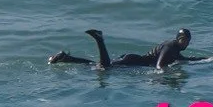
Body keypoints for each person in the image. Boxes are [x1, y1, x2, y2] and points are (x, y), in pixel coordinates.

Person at [50, 28, 194, 70]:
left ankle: (66, 58)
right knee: (104, 67)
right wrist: (162, 77)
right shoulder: (170, 47)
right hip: (133, 62)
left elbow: (184, 59)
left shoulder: (176, 51)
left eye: (186, 41)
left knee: (96, 66)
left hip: (132, 60)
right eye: (182, 40)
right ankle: (99, 39)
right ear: (177, 39)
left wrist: (208, 59)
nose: (184, 43)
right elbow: (159, 65)